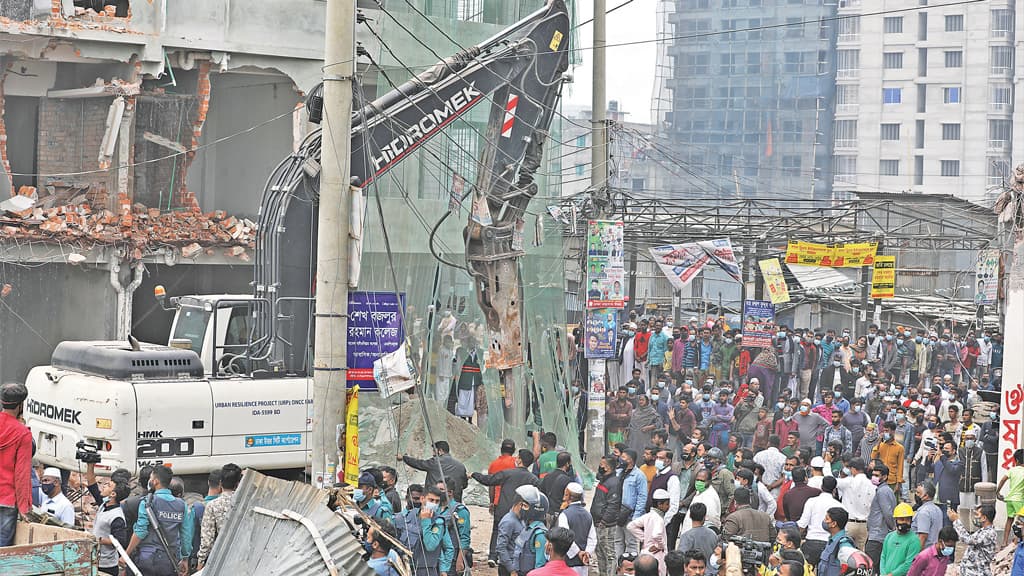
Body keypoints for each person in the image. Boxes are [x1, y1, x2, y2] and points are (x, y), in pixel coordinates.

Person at [473, 448, 542, 570]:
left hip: (503, 511)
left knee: (498, 532)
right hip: (522, 514)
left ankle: (493, 556)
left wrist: (474, 475)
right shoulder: (533, 479)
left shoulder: (507, 473)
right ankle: (513, 559)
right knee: (518, 536)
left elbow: (489, 480)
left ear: (519, 460)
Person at [122, 466, 193, 576]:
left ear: (155, 481)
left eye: (151, 478)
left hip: (146, 559)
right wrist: (185, 558)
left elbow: (141, 531)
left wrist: (126, 554)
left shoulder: (147, 502)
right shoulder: (181, 505)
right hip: (169, 561)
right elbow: (186, 535)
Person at [396, 485, 454, 576]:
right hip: (406, 567)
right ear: (422, 499)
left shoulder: (438, 522)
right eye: (431, 500)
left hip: (427, 570)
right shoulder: (410, 515)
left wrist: (444, 570)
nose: (434, 504)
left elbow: (431, 545)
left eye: (437, 501)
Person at [0, 382, 32, 546]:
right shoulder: (22, 434)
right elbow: (21, 474)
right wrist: (24, 507)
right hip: (7, 500)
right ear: (20, 405)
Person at [84, 461, 130, 575]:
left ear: (113, 494)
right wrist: (90, 465)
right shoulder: (104, 503)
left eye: (108, 485)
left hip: (106, 565)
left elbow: (119, 541)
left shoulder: (117, 517)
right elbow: (92, 485)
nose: (104, 486)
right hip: (94, 559)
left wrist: (98, 540)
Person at [196, 463, 242, 570]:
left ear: (220, 483)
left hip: (220, 559)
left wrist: (201, 562)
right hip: (242, 557)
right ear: (238, 483)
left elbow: (207, 539)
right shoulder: (247, 502)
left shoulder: (212, 505)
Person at [399, 441, 469, 501]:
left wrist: (404, 458)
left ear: (440, 451)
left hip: (436, 500)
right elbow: (464, 485)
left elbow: (418, 463)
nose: (433, 454)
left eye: (434, 451)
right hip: (455, 503)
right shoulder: (461, 466)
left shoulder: (435, 462)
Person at [486, 439, 519, 566]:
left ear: (501, 449)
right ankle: (508, 555)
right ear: (513, 450)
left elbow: (491, 485)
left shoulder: (494, 464)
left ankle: (492, 555)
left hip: (498, 501)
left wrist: (491, 502)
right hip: (513, 502)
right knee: (514, 529)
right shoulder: (516, 462)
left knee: (496, 529)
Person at [593, 455, 625, 576]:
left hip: (606, 525)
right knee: (600, 552)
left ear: (607, 467)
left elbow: (613, 505)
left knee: (609, 554)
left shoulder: (614, 483)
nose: (600, 467)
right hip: (598, 523)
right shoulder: (604, 480)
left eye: (602, 465)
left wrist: (604, 521)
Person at [798, 476, 841, 566]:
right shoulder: (839, 506)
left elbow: (802, 524)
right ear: (834, 489)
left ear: (821, 486)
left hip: (811, 543)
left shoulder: (811, 501)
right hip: (829, 545)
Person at [832, 457, 873, 550]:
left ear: (853, 469)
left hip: (849, 523)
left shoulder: (849, 481)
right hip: (864, 525)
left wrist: (826, 464)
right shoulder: (871, 485)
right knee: (861, 554)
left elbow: (831, 481)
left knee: (845, 552)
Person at [557, 483, 595, 576]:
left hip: (569, 562)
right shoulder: (588, 515)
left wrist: (578, 552)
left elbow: (565, 537)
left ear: (567, 495)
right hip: (583, 563)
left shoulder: (565, 514)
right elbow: (592, 538)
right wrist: (586, 553)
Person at [628, 488, 669, 572]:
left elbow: (631, 526)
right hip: (656, 555)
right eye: (667, 504)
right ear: (660, 505)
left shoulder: (648, 516)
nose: (668, 506)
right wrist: (659, 546)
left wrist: (644, 538)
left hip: (645, 552)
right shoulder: (659, 519)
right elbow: (656, 535)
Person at [947, 504, 996, 576]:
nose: (975, 517)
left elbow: (968, 539)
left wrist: (956, 521)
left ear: (984, 518)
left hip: (979, 572)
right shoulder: (982, 530)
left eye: (977, 515)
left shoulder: (989, 533)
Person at [436, 481, 472, 575]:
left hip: (452, 558)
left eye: (441, 490)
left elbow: (464, 538)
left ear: (450, 492)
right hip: (437, 556)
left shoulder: (460, 511)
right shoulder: (435, 508)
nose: (437, 492)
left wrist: (460, 560)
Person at [865, 463, 897, 569]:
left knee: (870, 568)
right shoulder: (885, 490)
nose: (874, 477)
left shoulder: (882, 492)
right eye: (873, 475)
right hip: (879, 535)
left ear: (885, 477)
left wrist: (893, 528)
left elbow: (888, 513)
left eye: (877, 475)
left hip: (878, 537)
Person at [880, 503, 921, 576]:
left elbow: (908, 564)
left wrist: (892, 575)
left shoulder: (914, 540)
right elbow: (883, 557)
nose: (904, 522)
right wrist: (883, 573)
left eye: (907, 519)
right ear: (896, 520)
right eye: (901, 519)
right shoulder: (889, 536)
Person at [514, 492, 550, 575]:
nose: (522, 508)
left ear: (534, 510)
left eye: (525, 506)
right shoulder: (527, 528)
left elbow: (540, 564)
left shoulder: (540, 534)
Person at [816, 507, 857, 576]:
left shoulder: (844, 543)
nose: (824, 521)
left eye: (827, 519)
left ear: (834, 524)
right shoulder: (832, 540)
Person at [998, 447, 1024, 547]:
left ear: (1016, 460)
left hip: (1009, 499)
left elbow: (1002, 480)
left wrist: (998, 492)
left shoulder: (1012, 470)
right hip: (1019, 500)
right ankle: (1017, 541)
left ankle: (1004, 542)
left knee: (1009, 520)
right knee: (1021, 521)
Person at [682, 468, 721, 532]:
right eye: (697, 480)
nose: (699, 482)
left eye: (702, 481)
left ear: (709, 481)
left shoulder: (710, 497)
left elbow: (713, 519)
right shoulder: (700, 491)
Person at [872, 422, 905, 495]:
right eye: (884, 431)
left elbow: (900, 466)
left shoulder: (899, 448)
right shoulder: (880, 445)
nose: (885, 433)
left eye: (887, 431)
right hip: (880, 479)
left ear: (893, 431)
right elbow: (873, 457)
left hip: (892, 481)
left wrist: (898, 483)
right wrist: (878, 443)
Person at [911, 481, 943, 550]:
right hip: (934, 550)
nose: (916, 495)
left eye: (918, 493)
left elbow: (922, 537)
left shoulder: (923, 512)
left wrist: (917, 556)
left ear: (926, 496)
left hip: (925, 551)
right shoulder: (937, 509)